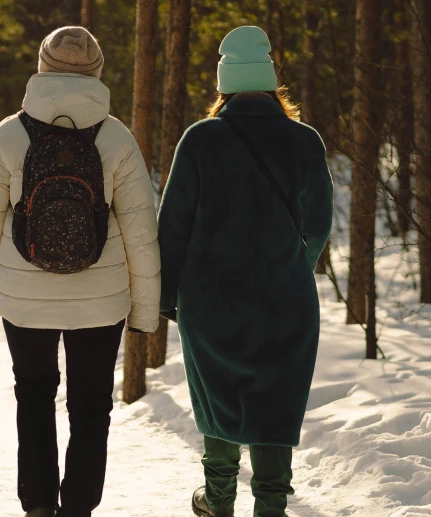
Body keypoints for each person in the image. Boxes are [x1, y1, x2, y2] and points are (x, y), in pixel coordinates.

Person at [0, 26, 161, 517]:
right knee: (92, 405)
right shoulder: (116, 137)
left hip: (22, 294)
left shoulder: (9, 134)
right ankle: (78, 508)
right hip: (102, 297)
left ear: (41, 67)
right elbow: (141, 230)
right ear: (97, 72)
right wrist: (145, 311)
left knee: (33, 397)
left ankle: (36, 507)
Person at [158, 25, 334, 517]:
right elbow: (318, 226)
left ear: (224, 86)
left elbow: (173, 226)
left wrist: (166, 297)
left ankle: (217, 499)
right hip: (285, 297)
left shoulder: (201, 139)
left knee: (219, 394)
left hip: (209, 298)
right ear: (272, 83)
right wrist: (290, 272)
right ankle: (272, 506)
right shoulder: (304, 140)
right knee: (276, 399)